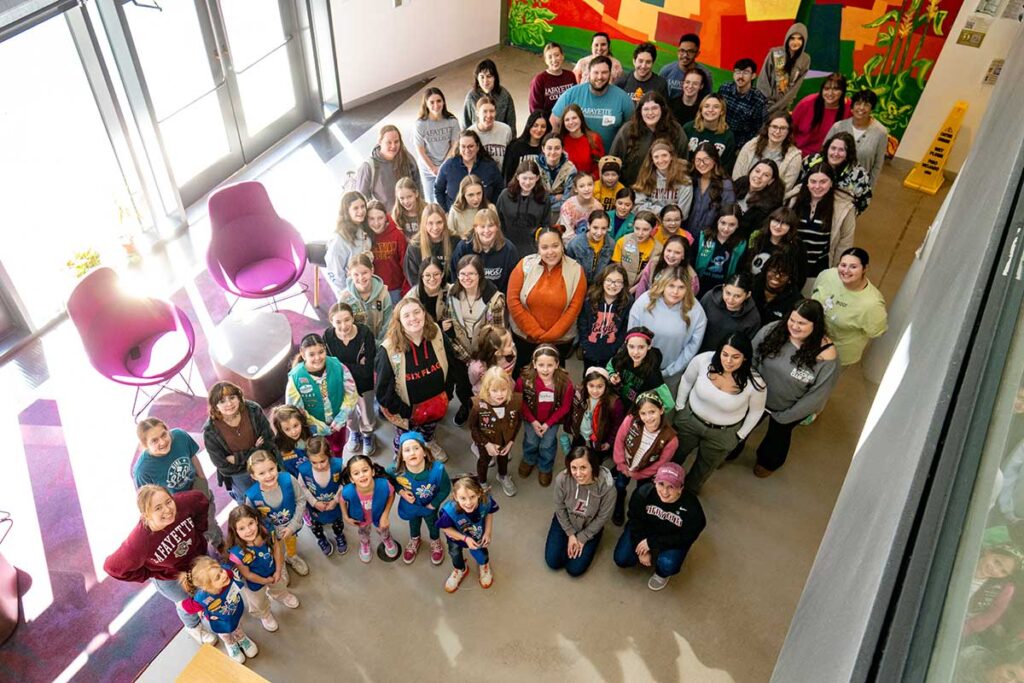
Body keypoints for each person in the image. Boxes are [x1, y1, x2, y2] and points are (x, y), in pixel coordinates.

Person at [103, 485, 218, 645]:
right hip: (171, 577)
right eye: (158, 508)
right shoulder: (140, 541)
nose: (168, 510)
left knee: (209, 586)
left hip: (197, 560)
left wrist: (199, 532)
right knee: (186, 603)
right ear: (146, 515)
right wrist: (150, 573)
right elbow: (112, 567)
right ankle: (193, 627)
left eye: (168, 501)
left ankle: (212, 610)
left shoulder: (182, 504)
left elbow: (200, 500)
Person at [747, 300, 839, 475]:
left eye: (802, 323)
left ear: (815, 325)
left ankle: (768, 463)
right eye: (792, 320)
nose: (795, 326)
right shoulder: (773, 330)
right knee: (743, 425)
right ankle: (730, 451)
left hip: (788, 409)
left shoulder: (826, 356)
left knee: (778, 438)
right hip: (756, 395)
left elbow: (817, 396)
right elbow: (752, 355)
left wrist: (786, 416)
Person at [672, 335, 767, 492]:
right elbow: (687, 380)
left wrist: (740, 435)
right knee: (676, 455)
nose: (728, 361)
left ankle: (689, 493)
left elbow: (756, 411)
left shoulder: (755, 383)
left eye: (735, 357)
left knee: (704, 468)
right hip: (690, 421)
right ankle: (666, 483)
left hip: (723, 433)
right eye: (725, 354)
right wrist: (680, 407)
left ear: (745, 358)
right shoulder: (703, 360)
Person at [376, 297, 454, 460]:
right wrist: (406, 411)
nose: (413, 318)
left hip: (436, 404)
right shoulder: (389, 350)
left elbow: (451, 362)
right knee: (406, 437)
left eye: (417, 312)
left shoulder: (437, 333)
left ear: (424, 313)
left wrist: (447, 393)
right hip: (407, 412)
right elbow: (383, 392)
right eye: (406, 315)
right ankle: (402, 453)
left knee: (429, 429)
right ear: (399, 321)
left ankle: (429, 442)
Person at [613, 462, 706, 591]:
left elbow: (687, 536)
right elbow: (634, 520)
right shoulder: (643, 493)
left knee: (667, 564)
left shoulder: (692, 508)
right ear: (654, 482)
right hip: (645, 531)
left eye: (671, 487)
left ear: (681, 488)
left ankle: (662, 574)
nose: (665, 492)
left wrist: (652, 543)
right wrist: (641, 546)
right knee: (622, 558)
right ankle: (640, 551)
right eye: (661, 484)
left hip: (671, 537)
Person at [132, 418, 221, 546]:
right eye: (154, 441)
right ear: (145, 445)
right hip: (174, 507)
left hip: (196, 489)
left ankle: (219, 546)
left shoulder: (180, 436)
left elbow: (192, 456)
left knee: (210, 525)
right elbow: (147, 502)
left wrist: (202, 480)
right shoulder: (142, 470)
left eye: (164, 434)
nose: (162, 442)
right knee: (192, 539)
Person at [508, 226, 587, 368]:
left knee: (555, 381)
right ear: (538, 248)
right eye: (544, 247)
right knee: (523, 378)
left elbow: (574, 309)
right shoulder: (525, 265)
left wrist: (550, 337)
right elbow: (512, 300)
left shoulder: (576, 270)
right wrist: (535, 332)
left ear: (562, 245)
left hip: (560, 342)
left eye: (555, 246)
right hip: (525, 339)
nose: (550, 252)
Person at [628, 266, 707, 397]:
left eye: (681, 287)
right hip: (639, 368)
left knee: (662, 411)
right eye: (671, 286)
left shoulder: (696, 312)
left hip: (670, 374)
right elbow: (631, 334)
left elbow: (692, 348)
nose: (675, 292)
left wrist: (670, 372)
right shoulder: (644, 301)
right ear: (663, 284)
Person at [446, 254, 506, 422]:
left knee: (483, 387)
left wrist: (480, 359)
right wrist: (466, 358)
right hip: (460, 351)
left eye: (471, 273)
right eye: (462, 274)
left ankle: (482, 410)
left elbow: (497, 335)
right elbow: (448, 323)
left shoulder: (495, 300)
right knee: (463, 386)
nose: (467, 278)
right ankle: (466, 406)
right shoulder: (452, 294)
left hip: (485, 354)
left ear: (480, 274)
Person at [226, 504, 300, 634]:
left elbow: (276, 548)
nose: (248, 530)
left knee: (279, 586)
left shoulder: (266, 531)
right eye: (242, 528)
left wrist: (278, 570)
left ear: (256, 520)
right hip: (254, 583)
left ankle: (282, 596)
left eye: (250, 524)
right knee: (258, 602)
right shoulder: (237, 553)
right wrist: (264, 581)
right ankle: (265, 615)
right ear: (235, 531)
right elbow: (247, 574)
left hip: (272, 571)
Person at [203, 381, 280, 504]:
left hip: (264, 464)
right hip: (240, 474)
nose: (229, 404)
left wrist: (237, 458)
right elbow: (223, 466)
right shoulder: (210, 431)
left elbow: (269, 441)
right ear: (215, 405)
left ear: (239, 397)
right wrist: (255, 450)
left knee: (277, 496)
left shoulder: (253, 409)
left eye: (232, 397)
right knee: (251, 505)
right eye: (222, 401)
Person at [545, 446, 616, 577]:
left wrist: (583, 538)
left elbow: (602, 517)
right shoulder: (562, 479)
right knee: (553, 562)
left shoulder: (608, 489)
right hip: (566, 521)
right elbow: (559, 506)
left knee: (575, 569)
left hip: (589, 526)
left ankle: (593, 540)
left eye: (583, 467)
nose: (578, 473)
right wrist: (570, 534)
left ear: (593, 466)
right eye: (574, 468)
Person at [812, 247, 888, 366]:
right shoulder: (827, 275)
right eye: (843, 265)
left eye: (853, 267)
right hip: (811, 342)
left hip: (838, 355)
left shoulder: (872, 304)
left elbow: (875, 331)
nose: (846, 271)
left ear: (865, 268)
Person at [285, 333, 358, 456]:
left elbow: (351, 393)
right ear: (303, 354)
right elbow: (296, 410)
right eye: (312, 354)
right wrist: (320, 427)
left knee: (338, 447)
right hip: (313, 429)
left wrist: (340, 419)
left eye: (321, 352)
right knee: (319, 453)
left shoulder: (337, 366)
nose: (318, 357)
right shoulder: (296, 378)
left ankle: (338, 467)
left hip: (338, 423)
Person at [611, 392, 677, 525]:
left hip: (645, 472)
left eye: (652, 412)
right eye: (643, 413)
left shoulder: (671, 439)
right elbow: (619, 440)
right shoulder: (630, 420)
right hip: (625, 465)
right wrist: (621, 464)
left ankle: (634, 511)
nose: (648, 418)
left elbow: (661, 463)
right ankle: (620, 500)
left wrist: (639, 474)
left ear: (661, 409)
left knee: (641, 492)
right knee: (620, 484)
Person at [178, 557, 257, 664]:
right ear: (206, 587)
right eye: (218, 577)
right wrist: (180, 604)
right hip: (219, 620)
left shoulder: (228, 573)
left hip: (233, 612)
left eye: (221, 570)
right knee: (225, 634)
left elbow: (230, 572)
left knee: (237, 626)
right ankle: (230, 643)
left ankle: (241, 638)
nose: (223, 574)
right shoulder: (202, 598)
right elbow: (187, 606)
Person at [790, 162, 856, 290]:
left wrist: (837, 272)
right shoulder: (794, 200)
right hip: (790, 264)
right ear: (807, 182)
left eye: (823, 182)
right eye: (813, 181)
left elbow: (845, 242)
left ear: (831, 183)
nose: (817, 186)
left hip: (818, 269)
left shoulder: (844, 207)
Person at [516, 345, 574, 487]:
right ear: (534, 364)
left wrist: (548, 423)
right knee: (531, 440)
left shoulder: (565, 384)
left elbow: (565, 407)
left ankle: (545, 467)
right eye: (541, 365)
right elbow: (520, 401)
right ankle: (529, 459)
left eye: (550, 365)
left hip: (551, 422)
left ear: (557, 364)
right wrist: (533, 421)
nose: (545, 369)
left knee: (547, 445)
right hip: (531, 419)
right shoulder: (524, 380)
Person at [390, 431, 451, 565]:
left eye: (416, 448)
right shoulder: (396, 470)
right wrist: (401, 492)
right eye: (407, 450)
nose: (412, 452)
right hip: (411, 506)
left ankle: (435, 540)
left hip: (429, 506)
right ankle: (415, 539)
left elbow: (446, 488)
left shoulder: (438, 470)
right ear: (402, 456)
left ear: (424, 452)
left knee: (433, 523)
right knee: (414, 522)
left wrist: (434, 504)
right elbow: (389, 480)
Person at [245, 451, 310, 576]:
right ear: (253, 476)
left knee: (291, 541)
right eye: (261, 473)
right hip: (270, 533)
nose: (268, 475)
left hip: (291, 526)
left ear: (276, 465)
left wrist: (292, 527)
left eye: (271, 469)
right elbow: (251, 520)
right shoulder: (252, 497)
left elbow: (301, 500)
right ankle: (280, 564)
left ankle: (291, 556)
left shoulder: (288, 479)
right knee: (276, 548)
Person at [324, 303, 376, 456]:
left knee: (367, 412)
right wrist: (354, 366)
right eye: (338, 322)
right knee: (348, 413)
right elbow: (329, 367)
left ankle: (367, 434)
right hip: (342, 386)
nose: (343, 326)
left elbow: (367, 370)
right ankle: (354, 432)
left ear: (353, 318)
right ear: (331, 322)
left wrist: (341, 366)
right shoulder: (328, 336)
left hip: (364, 384)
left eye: (347, 320)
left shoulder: (365, 334)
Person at [552, 56, 635, 151]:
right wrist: (557, 146)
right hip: (574, 158)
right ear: (589, 73)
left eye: (604, 72)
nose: (600, 77)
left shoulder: (623, 98)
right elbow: (554, 120)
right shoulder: (571, 94)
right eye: (596, 72)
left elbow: (633, 127)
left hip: (608, 158)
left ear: (610, 74)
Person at [438, 475, 499, 593]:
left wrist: (488, 532)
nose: (469, 503)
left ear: (479, 493)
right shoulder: (449, 511)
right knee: (454, 553)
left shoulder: (486, 501)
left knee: (481, 553)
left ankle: (484, 565)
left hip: (477, 534)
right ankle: (460, 569)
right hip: (456, 537)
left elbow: (489, 513)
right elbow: (445, 528)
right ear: (455, 497)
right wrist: (465, 539)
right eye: (463, 498)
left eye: (472, 497)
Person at [468, 366, 523, 495]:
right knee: (484, 461)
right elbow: (473, 427)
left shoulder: (514, 402)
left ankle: (503, 475)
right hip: (485, 442)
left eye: (504, 389)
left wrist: (511, 442)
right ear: (487, 390)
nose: (500, 394)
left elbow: (518, 422)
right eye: (495, 390)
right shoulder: (478, 406)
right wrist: (486, 444)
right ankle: (482, 481)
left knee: (503, 459)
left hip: (505, 440)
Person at [339, 455, 399, 563]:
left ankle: (386, 538)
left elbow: (391, 495)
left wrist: (385, 515)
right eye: (356, 473)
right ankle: (365, 542)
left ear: (372, 472)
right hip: (361, 519)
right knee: (363, 532)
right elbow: (342, 500)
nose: (361, 475)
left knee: (383, 529)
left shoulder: (384, 485)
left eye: (365, 470)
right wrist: (345, 516)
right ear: (351, 479)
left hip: (379, 515)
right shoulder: (348, 491)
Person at [827, 89, 888, 190]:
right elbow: (824, 153)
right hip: (830, 183)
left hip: (856, 189)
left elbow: (878, 164)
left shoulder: (881, 132)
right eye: (858, 103)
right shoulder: (838, 127)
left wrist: (869, 189)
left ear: (872, 108)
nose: (861, 108)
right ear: (852, 107)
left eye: (867, 105)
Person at [800, 132, 873, 215]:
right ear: (827, 148)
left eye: (841, 150)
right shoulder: (812, 161)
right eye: (833, 148)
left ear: (848, 153)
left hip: (838, 215)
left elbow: (863, 203)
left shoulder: (859, 177)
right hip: (806, 209)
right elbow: (799, 182)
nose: (835, 153)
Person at [561, 367, 624, 462]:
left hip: (599, 437)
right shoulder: (578, 394)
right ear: (585, 384)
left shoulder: (614, 403)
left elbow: (616, 425)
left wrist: (609, 442)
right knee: (577, 454)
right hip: (580, 433)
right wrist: (569, 426)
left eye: (600, 386)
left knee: (595, 459)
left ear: (606, 386)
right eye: (591, 385)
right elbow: (571, 411)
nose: (595, 391)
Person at [296, 438, 346, 557]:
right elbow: (301, 487)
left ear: (329, 454)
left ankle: (339, 535)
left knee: (338, 523)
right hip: (315, 508)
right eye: (314, 462)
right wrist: (314, 502)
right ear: (308, 459)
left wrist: (335, 500)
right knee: (316, 526)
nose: (319, 466)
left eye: (323, 461)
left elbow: (345, 483)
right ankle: (321, 539)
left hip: (335, 505)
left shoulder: (338, 466)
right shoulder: (303, 470)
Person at [450, 206, 519, 292]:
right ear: (475, 228)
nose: (486, 231)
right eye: (482, 226)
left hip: (498, 299)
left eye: (490, 226)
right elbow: (454, 275)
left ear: (497, 227)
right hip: (468, 297)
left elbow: (514, 283)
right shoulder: (464, 247)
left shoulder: (509, 250)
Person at [577, 263, 631, 371]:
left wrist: (615, 348)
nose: (612, 285)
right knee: (589, 376)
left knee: (607, 379)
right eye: (609, 280)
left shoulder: (627, 302)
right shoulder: (590, 299)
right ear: (602, 280)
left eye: (618, 282)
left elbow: (625, 328)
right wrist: (585, 345)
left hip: (611, 352)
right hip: (590, 349)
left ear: (623, 284)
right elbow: (582, 323)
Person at [433, 129, 504, 212]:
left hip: (483, 217)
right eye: (463, 146)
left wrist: (492, 207)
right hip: (456, 216)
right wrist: (446, 212)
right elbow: (438, 190)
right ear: (459, 147)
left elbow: (499, 189)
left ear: (477, 147)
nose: (467, 150)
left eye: (470, 146)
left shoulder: (490, 166)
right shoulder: (448, 166)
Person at [607, 326, 675, 411]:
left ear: (649, 346)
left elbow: (669, 403)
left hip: (634, 412)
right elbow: (610, 366)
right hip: (618, 404)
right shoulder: (622, 357)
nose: (635, 352)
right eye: (631, 346)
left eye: (641, 347)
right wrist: (612, 375)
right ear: (626, 344)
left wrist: (646, 415)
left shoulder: (652, 374)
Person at [732, 114, 802, 193]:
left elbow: (784, 189)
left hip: (767, 201)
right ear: (768, 127)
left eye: (783, 128)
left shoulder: (794, 157)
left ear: (789, 131)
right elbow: (737, 175)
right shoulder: (751, 145)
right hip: (740, 192)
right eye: (774, 127)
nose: (777, 131)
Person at [496, 158, 552, 257]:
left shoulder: (544, 198)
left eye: (531, 178)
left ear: (537, 178)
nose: (527, 182)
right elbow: (498, 221)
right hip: (507, 247)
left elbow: (546, 224)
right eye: (524, 178)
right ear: (517, 177)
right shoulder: (505, 196)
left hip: (533, 249)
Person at [355, 125, 420, 208]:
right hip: (384, 218)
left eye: (396, 142)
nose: (393, 146)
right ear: (380, 142)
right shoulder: (368, 167)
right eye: (389, 142)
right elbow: (361, 199)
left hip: (409, 216)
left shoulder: (407, 159)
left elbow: (418, 188)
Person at [414, 87, 460, 199]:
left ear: (443, 102)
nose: (436, 105)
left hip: (448, 164)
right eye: (432, 102)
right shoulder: (420, 124)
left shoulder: (452, 121)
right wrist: (432, 168)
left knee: (451, 197)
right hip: (428, 169)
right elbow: (420, 150)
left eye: (439, 101)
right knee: (432, 200)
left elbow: (455, 145)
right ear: (426, 104)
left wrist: (444, 166)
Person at [756, 23, 811, 117]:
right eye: (792, 38)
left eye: (799, 38)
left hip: (784, 106)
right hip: (765, 104)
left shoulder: (805, 59)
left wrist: (781, 105)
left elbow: (796, 87)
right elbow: (763, 80)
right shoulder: (776, 53)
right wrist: (767, 104)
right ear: (787, 38)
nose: (795, 42)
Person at [742, 207, 807, 284]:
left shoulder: (796, 246)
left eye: (784, 223)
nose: (778, 226)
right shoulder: (758, 238)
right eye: (776, 221)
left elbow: (800, 277)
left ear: (791, 227)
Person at [699, 273, 761, 353]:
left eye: (737, 296)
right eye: (727, 293)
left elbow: (745, 348)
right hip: (698, 351)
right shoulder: (709, 298)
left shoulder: (753, 318)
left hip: (726, 359)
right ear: (723, 287)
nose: (730, 299)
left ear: (747, 295)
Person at [326, 191, 374, 295]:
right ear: (347, 211)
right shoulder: (340, 239)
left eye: (362, 206)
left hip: (366, 284)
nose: (361, 211)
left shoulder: (363, 226)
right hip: (351, 291)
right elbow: (334, 270)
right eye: (355, 208)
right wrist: (347, 291)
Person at [791, 73, 850, 157]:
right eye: (826, 89)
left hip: (831, 158)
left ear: (843, 91)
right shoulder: (807, 103)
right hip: (799, 154)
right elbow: (790, 129)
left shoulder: (849, 108)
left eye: (836, 89)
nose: (830, 93)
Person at [339, 251, 392, 343]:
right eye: (356, 274)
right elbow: (342, 326)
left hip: (381, 343)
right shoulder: (344, 298)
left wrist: (380, 345)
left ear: (372, 271)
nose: (361, 278)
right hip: (357, 345)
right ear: (350, 274)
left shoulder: (383, 293)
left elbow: (388, 323)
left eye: (364, 273)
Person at [685, 142, 736, 237]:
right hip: (687, 234)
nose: (701, 164)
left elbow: (727, 214)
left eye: (706, 159)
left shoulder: (725, 185)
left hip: (709, 238)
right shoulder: (691, 180)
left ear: (714, 160)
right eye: (698, 160)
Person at [718, 58, 769, 150]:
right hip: (720, 134)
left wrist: (744, 148)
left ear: (753, 76)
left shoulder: (759, 100)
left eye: (745, 73)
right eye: (737, 72)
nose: (740, 76)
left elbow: (758, 129)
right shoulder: (724, 88)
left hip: (741, 143)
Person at [695, 204, 747, 292]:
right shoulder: (703, 237)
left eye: (732, 225)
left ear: (738, 225)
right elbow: (691, 261)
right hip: (699, 284)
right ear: (717, 221)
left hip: (722, 289)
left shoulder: (740, 244)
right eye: (723, 223)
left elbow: (740, 270)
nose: (726, 228)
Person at [403, 203, 459, 285]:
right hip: (426, 294)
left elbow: (460, 271)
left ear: (445, 223)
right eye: (430, 223)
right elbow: (413, 278)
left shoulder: (455, 241)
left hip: (451, 291)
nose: (435, 227)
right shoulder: (415, 246)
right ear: (424, 224)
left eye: (439, 222)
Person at [526, 133, 576, 223]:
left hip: (561, 212)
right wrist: (555, 198)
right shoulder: (533, 166)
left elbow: (568, 199)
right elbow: (531, 195)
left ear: (562, 149)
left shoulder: (570, 169)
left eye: (557, 148)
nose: (553, 152)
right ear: (543, 149)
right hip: (535, 210)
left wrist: (546, 201)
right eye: (549, 148)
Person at [366, 198, 408, 301]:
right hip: (372, 290)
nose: (376, 223)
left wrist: (405, 290)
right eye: (371, 218)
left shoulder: (398, 236)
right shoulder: (364, 237)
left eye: (380, 218)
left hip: (395, 290)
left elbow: (405, 266)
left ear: (386, 217)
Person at [733, 159, 786, 240]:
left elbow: (755, 233)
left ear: (771, 181)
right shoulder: (741, 182)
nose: (759, 176)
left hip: (742, 240)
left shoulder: (771, 204)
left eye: (766, 175)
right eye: (757, 171)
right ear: (751, 171)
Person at [684, 94, 737, 172]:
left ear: (722, 111)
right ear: (701, 109)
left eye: (716, 107)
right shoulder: (688, 128)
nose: (710, 110)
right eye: (706, 106)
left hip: (714, 179)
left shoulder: (727, 136)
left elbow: (726, 166)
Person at [462, 58, 516, 131]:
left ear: (495, 77)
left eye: (489, 76)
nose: (485, 81)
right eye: (482, 77)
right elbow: (465, 124)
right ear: (477, 78)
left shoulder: (504, 96)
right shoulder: (471, 97)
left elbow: (511, 123)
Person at [752, 252, 804, 327]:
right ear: (766, 270)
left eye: (783, 274)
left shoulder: (796, 300)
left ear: (789, 279)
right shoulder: (752, 286)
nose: (777, 276)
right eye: (773, 271)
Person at [613, 209, 661, 288]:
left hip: (643, 286)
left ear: (652, 229)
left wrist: (634, 289)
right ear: (633, 226)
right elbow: (617, 266)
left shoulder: (658, 248)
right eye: (637, 228)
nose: (640, 233)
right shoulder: (622, 241)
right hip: (622, 284)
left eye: (645, 230)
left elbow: (652, 274)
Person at [271, 404, 322, 477]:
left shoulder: (313, 434)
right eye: (287, 429)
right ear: (281, 430)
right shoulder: (278, 446)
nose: (293, 432)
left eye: (295, 426)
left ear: (301, 421)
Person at [566, 209, 615, 284]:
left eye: (604, 228)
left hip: (599, 285)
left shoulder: (611, 244)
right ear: (588, 225)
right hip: (578, 283)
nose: (599, 233)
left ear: (608, 228)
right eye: (595, 228)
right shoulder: (575, 244)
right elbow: (567, 268)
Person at [660, 33, 714, 101]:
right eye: (682, 50)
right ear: (678, 51)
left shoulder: (705, 74)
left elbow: (707, 99)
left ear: (697, 53)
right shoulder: (666, 70)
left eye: (690, 51)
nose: (685, 55)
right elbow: (658, 95)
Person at [556, 103, 605, 178]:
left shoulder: (594, 138)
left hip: (589, 185)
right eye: (567, 120)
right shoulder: (560, 140)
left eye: (574, 118)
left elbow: (599, 166)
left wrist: (585, 182)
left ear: (581, 118)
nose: (571, 122)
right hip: (566, 185)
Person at [468, 324, 518, 396]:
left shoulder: (511, 356)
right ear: (497, 352)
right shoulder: (477, 368)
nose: (513, 345)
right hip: (485, 394)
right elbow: (473, 381)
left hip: (507, 390)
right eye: (509, 344)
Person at [529, 42, 577, 114]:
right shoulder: (539, 80)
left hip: (568, 120)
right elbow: (535, 109)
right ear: (546, 60)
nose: (554, 60)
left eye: (557, 55)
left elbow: (576, 100)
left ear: (562, 56)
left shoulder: (570, 76)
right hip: (548, 122)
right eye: (550, 57)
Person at [503, 111, 551, 182]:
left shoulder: (549, 148)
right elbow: (507, 175)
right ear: (529, 125)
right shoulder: (515, 147)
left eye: (543, 126)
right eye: (535, 125)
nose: (539, 129)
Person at [469, 96, 514, 169]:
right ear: (477, 113)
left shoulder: (506, 130)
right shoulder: (470, 133)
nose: (489, 115)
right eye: (484, 111)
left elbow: (510, 157)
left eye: (492, 111)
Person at [559, 172, 603, 241]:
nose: (587, 189)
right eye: (582, 186)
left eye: (590, 185)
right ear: (576, 189)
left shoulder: (598, 207)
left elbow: (599, 230)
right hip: (571, 244)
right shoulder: (567, 206)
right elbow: (566, 235)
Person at [391, 177, 426, 242]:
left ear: (416, 194)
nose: (406, 201)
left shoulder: (426, 210)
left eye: (409, 197)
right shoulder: (396, 214)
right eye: (402, 198)